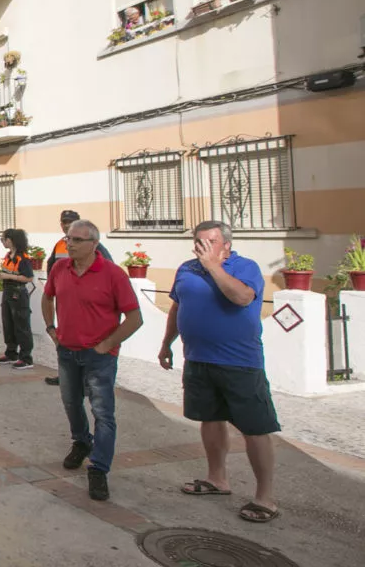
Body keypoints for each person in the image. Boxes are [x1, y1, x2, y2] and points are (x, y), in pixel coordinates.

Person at [160, 221, 279, 523]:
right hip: (199, 359)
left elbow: (241, 298)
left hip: (240, 362)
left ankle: (265, 497)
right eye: (198, 241)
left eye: (210, 241)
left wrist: (213, 267)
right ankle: (217, 479)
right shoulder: (186, 269)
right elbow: (177, 307)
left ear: (226, 244)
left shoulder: (245, 266)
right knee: (209, 420)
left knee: (255, 428)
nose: (202, 247)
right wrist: (167, 344)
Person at [42, 219, 142, 502]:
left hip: (99, 357)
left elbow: (135, 319)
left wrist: (107, 345)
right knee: (71, 402)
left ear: (94, 245)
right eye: (68, 238)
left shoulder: (113, 274)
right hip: (67, 351)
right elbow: (47, 297)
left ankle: (99, 468)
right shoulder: (60, 268)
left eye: (76, 240)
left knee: (102, 411)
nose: (69, 244)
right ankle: (81, 442)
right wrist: (52, 329)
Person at [44, 210, 113, 387]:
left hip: (88, 306)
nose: (67, 225)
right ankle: (67, 375)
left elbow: (108, 272)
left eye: (71, 222)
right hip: (66, 303)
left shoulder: (95, 247)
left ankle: (88, 378)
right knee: (66, 339)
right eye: (64, 222)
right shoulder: (60, 245)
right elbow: (51, 267)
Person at [0, 228, 37, 369]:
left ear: (11, 240)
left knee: (21, 326)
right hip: (8, 291)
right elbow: (8, 272)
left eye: (4, 239)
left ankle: (26, 358)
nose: (2, 241)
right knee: (8, 323)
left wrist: (8, 276)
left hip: (19, 293)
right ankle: (11, 353)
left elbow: (28, 277)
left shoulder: (23, 258)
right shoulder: (8, 256)